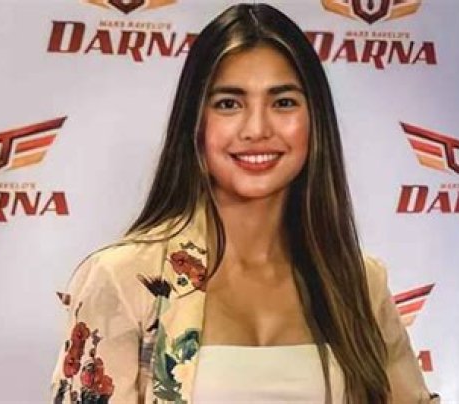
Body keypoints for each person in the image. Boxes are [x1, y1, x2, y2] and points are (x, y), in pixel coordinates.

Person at [51, 3, 439, 403]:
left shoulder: (357, 281)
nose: (257, 129)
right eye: (229, 104)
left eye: (283, 102)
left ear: (315, 119)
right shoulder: (124, 278)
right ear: (195, 122)